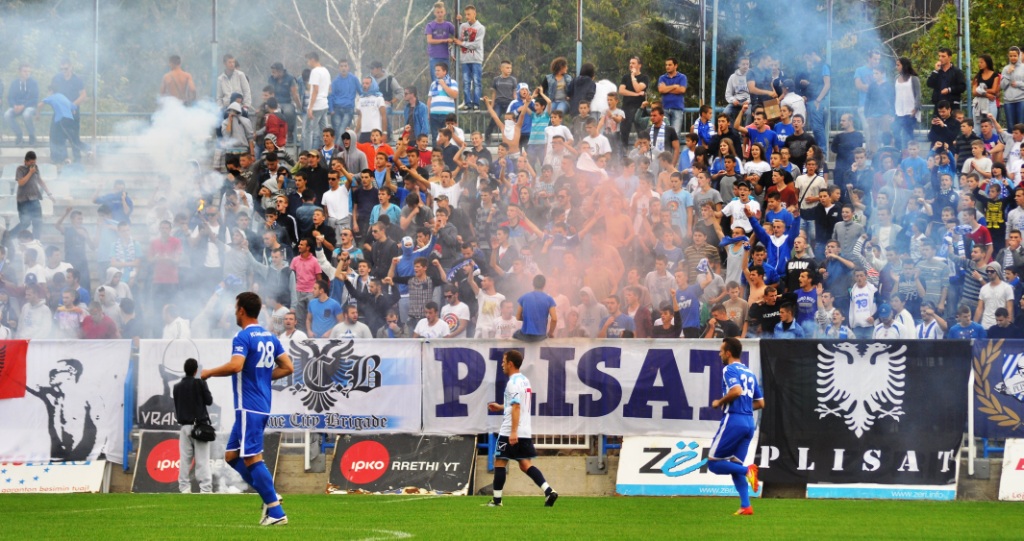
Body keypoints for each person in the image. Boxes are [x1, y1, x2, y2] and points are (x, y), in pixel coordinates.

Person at [201, 292, 293, 526]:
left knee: (252, 457)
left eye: (235, 308)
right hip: (259, 405)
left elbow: (236, 366)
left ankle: (275, 511)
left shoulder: (242, 337)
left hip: (249, 407)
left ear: (241, 310)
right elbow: (288, 367)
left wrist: (209, 372)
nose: (234, 312)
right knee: (232, 456)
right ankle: (270, 494)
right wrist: (262, 377)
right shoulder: (270, 337)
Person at [486, 349, 558, 508]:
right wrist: (500, 406)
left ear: (510, 364)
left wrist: (513, 432)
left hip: (510, 430)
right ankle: (549, 491)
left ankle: (497, 501)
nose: (502, 365)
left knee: (500, 461)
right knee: (525, 464)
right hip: (525, 430)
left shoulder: (512, 383)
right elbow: (517, 404)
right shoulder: (525, 380)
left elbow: (517, 407)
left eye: (504, 361)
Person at [708, 337, 762, 516]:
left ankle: (748, 470)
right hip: (749, 423)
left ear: (728, 353)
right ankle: (746, 506)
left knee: (714, 463)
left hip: (734, 420)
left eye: (721, 351)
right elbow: (761, 403)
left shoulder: (729, 369)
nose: (720, 354)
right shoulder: (750, 373)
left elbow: (737, 391)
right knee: (734, 465)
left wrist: (720, 402)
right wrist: (745, 407)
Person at [172, 358, 213, 494]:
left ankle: (184, 487)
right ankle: (205, 489)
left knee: (185, 460)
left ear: (185, 370)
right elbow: (209, 401)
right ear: (196, 370)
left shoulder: (177, 387)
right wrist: (204, 383)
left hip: (184, 426)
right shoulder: (200, 383)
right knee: (202, 460)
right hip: (199, 426)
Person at [514, 274, 557, 341]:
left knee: (515, 334)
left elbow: (518, 317)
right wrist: (550, 333)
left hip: (525, 335)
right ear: (544, 285)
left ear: (533, 284)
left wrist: (528, 320)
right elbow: (554, 319)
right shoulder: (549, 299)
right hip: (541, 336)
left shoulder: (524, 297)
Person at [5, 64, 39, 145]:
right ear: (19, 72)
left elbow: (35, 99)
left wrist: (23, 106)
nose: (27, 73)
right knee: (7, 115)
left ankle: (32, 136)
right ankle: (19, 135)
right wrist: (14, 105)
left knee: (26, 114)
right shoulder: (14, 83)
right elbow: (10, 97)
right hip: (17, 106)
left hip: (30, 106)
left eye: (29, 71)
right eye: (25, 71)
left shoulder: (34, 83)